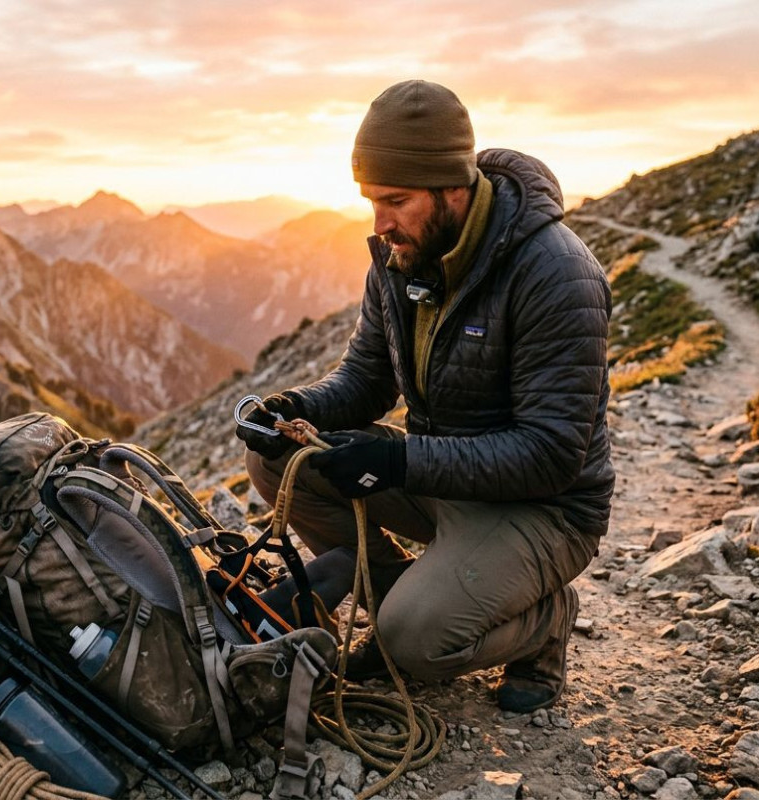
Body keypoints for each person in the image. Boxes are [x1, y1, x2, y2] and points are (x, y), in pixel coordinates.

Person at [236, 80, 614, 713]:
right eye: (371, 201)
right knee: (277, 460)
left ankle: (544, 620)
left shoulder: (554, 270)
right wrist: (294, 408)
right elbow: (365, 381)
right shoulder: (399, 254)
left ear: (452, 189)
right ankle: (404, 597)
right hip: (449, 478)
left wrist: (398, 463)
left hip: (544, 508)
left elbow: (552, 454)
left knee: (415, 645)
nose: (380, 224)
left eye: (396, 201)